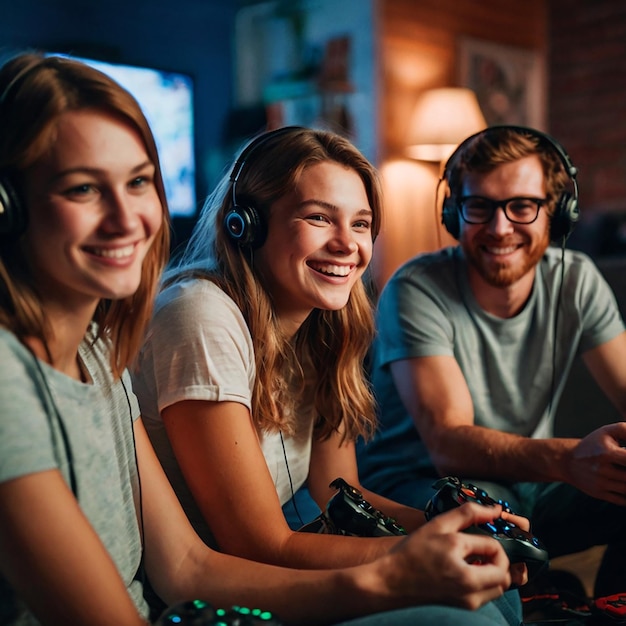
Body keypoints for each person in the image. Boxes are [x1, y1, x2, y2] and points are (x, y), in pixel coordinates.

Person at [0, 52, 519, 626]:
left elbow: (191, 566)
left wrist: (443, 538)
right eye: (81, 189)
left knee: (490, 595)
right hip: (204, 591)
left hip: (195, 589)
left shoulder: (102, 354)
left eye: (139, 182)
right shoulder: (20, 377)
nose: (129, 219)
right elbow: (234, 553)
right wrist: (395, 572)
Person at [131, 125, 523, 624]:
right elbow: (257, 544)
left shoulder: (322, 325)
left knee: (494, 590)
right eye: (319, 217)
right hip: (221, 594)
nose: (347, 244)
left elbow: (336, 492)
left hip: (270, 566)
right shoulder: (199, 314)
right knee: (464, 615)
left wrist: (459, 529)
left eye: (360, 225)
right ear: (245, 224)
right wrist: (420, 554)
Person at [356, 125, 626, 598]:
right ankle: (533, 588)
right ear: (453, 213)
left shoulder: (577, 280)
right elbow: (449, 443)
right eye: (480, 206)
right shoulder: (416, 289)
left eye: (522, 206)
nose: (500, 228)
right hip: (424, 487)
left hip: (531, 484)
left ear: (557, 213)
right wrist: (569, 459)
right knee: (484, 525)